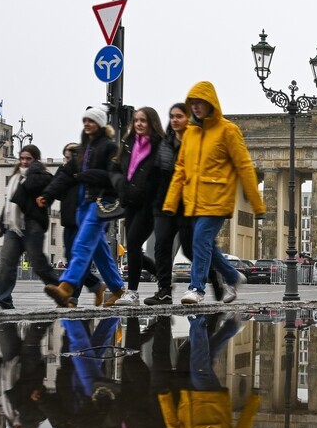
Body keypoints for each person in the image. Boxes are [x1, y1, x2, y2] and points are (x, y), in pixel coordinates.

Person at [163, 82, 266, 304]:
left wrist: (257, 204)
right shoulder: (190, 133)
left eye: (200, 102)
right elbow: (181, 169)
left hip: (217, 199)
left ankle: (196, 288)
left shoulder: (228, 130)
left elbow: (244, 166)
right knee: (205, 245)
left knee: (200, 239)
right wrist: (171, 202)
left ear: (211, 103)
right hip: (194, 200)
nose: (195, 107)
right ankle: (232, 276)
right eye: (192, 103)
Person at [41, 106, 127, 307]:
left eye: (91, 120)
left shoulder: (109, 147)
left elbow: (113, 176)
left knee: (81, 246)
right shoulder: (84, 150)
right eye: (85, 120)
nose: (87, 124)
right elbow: (64, 174)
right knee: (99, 252)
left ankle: (67, 287)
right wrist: (48, 194)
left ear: (100, 124)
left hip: (100, 204)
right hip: (83, 206)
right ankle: (117, 288)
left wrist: (84, 175)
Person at [157, 313, 259, 428]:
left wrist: (165, 401)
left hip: (189, 403)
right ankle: (197, 320)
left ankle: (231, 327)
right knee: (198, 367)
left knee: (206, 359)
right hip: (211, 406)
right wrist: (252, 404)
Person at [147, 103, 224, 305]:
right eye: (172, 116)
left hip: (187, 205)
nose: (175, 120)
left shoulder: (197, 142)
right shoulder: (164, 144)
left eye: (179, 116)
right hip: (164, 203)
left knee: (190, 249)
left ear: (188, 119)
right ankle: (164, 290)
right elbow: (154, 174)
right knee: (162, 246)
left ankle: (213, 276)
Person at [0, 145, 60, 310]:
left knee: (38, 263)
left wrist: (34, 169)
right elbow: (9, 204)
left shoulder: (42, 176)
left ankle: (62, 292)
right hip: (13, 226)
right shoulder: (15, 178)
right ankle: (1, 300)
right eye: (22, 158)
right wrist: (2, 224)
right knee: (6, 263)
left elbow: (34, 186)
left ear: (36, 160)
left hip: (33, 224)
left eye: (29, 159)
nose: (24, 162)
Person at [108, 107, 164, 305]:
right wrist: (119, 184)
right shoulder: (129, 143)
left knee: (132, 242)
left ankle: (132, 292)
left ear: (152, 123)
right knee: (134, 247)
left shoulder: (159, 145)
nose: (139, 124)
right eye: (136, 120)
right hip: (130, 201)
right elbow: (116, 167)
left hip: (149, 204)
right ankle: (164, 279)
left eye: (143, 120)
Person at [55, 142, 105, 306]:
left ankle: (72, 296)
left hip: (83, 221)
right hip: (69, 221)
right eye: (65, 158)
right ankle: (95, 285)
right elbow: (56, 191)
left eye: (70, 158)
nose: (67, 161)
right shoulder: (64, 172)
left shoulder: (86, 172)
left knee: (78, 260)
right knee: (72, 260)